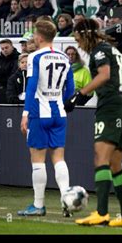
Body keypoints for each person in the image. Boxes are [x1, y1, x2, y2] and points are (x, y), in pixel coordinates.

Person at [64, 18, 122, 228]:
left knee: (101, 159)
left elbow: (104, 75)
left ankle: (102, 213)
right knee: (116, 165)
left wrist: (80, 94)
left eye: (78, 38)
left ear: (86, 35)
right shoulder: (115, 52)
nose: (78, 44)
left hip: (111, 107)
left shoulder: (99, 51)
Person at [18, 20, 75, 217]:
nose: (33, 37)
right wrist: (60, 101)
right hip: (59, 113)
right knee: (59, 158)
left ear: (40, 37)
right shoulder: (64, 57)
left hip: (39, 114)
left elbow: (31, 86)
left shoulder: (34, 57)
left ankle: (38, 205)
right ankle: (66, 201)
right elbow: (72, 89)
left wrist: (25, 114)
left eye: (34, 34)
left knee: (38, 160)